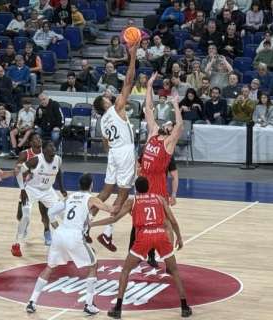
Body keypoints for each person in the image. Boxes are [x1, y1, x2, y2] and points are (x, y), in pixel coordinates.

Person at [90, 176, 191, 319]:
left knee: (125, 270)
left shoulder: (133, 201)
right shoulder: (159, 199)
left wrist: (92, 224)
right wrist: (179, 238)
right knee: (174, 271)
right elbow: (172, 221)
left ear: (136, 189)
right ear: (148, 187)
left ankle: (118, 308)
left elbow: (114, 219)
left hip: (144, 237)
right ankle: (185, 307)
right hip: (161, 234)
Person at [25, 173, 116, 315]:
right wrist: (123, 201)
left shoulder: (70, 197)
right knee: (93, 265)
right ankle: (89, 304)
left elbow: (51, 211)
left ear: (79, 185)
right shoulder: (91, 199)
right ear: (92, 185)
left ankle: (32, 301)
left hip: (60, 234)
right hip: (74, 236)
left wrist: (55, 225)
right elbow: (111, 209)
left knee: (50, 267)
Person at [90, 41, 139, 251]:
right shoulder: (117, 108)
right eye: (107, 98)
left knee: (105, 192)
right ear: (105, 104)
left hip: (113, 154)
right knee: (123, 194)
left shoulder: (101, 121)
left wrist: (113, 155)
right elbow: (129, 81)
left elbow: (105, 143)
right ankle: (107, 234)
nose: (110, 97)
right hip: (125, 151)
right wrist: (133, 57)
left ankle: (83, 227)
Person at [135, 72, 183, 266]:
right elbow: (148, 108)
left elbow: (180, 124)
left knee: (165, 223)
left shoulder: (169, 143)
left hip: (158, 185)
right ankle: (146, 253)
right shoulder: (154, 132)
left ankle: (168, 257)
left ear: (171, 132)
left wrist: (175, 104)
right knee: (141, 222)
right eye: (167, 123)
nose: (167, 124)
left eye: (169, 124)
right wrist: (149, 87)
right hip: (143, 182)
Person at [14, 142, 67, 256]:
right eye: (50, 146)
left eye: (54, 146)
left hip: (48, 191)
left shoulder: (58, 159)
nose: (53, 148)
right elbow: (18, 171)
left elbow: (58, 174)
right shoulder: (36, 160)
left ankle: (69, 241)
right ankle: (16, 244)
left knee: (64, 214)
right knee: (26, 215)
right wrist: (22, 189)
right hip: (31, 190)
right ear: (44, 150)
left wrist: (62, 189)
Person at [10, 133, 45, 257]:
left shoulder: (45, 153)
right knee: (23, 216)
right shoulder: (25, 154)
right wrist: (27, 171)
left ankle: (48, 234)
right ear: (31, 143)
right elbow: (17, 170)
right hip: (28, 188)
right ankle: (20, 236)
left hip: (43, 189)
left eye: (39, 138)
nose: (39, 140)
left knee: (49, 214)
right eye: (36, 138)